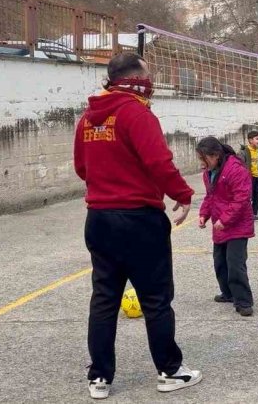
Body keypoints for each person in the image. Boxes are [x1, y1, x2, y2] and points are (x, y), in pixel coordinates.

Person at [73, 51, 202, 400]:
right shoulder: (136, 113)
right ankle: (169, 371)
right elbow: (159, 162)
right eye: (149, 76)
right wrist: (182, 193)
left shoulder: (88, 119)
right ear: (137, 79)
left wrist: (107, 184)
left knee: (104, 298)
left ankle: (99, 377)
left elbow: (82, 168)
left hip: (99, 218)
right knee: (156, 299)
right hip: (138, 219)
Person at [198, 137, 255, 317]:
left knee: (235, 264)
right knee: (220, 263)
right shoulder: (209, 172)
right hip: (220, 226)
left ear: (215, 155)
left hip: (237, 225)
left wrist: (225, 219)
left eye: (203, 159)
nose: (201, 163)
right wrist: (203, 214)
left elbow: (241, 199)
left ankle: (244, 301)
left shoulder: (235, 169)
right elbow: (210, 197)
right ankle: (228, 293)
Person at [238, 131, 258, 222]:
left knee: (257, 196)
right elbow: (239, 165)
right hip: (248, 178)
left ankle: (253, 214)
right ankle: (245, 214)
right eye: (257, 139)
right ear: (250, 140)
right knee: (248, 197)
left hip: (256, 177)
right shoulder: (243, 152)